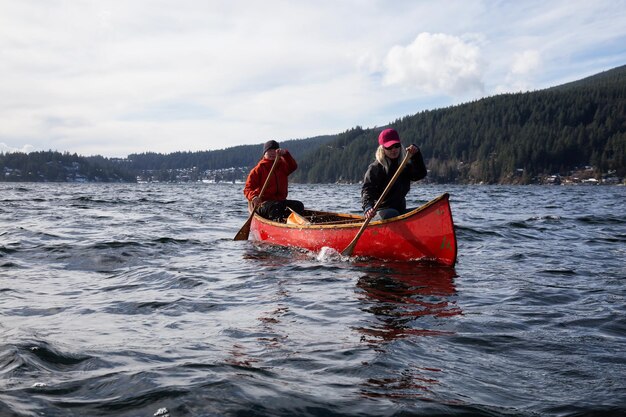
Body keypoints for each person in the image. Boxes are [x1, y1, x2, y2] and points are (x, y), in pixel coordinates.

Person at [361, 128, 427, 220]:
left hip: (399, 211)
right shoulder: (375, 168)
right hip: (380, 212)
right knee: (392, 213)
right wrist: (368, 208)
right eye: (389, 147)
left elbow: (420, 174)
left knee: (425, 211)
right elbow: (367, 190)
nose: (394, 150)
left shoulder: (404, 166)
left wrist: (416, 155)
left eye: (396, 146)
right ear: (382, 149)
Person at [243, 140, 304, 221]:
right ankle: (279, 224)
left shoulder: (282, 166)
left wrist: (285, 154)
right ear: (265, 153)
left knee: (299, 205)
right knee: (275, 207)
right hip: (264, 204)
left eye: (275, 150)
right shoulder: (258, 169)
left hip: (281, 201)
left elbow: (293, 166)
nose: (272, 153)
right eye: (269, 151)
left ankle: (295, 223)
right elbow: (247, 189)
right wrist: (253, 197)